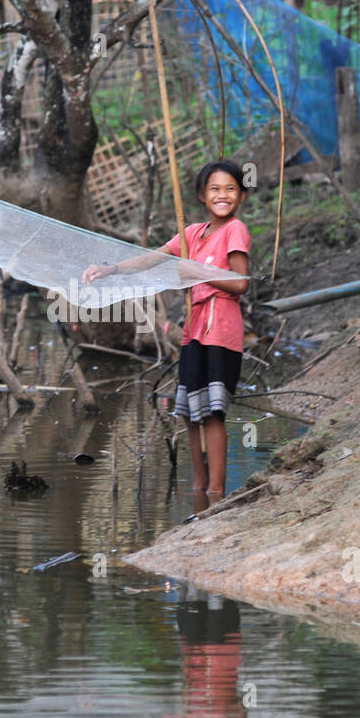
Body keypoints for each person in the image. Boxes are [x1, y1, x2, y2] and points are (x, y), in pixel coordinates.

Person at [84, 161, 251, 496]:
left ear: (241, 196)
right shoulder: (191, 234)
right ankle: (198, 487)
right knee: (191, 411)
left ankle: (216, 491)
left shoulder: (235, 230)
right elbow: (151, 258)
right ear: (202, 195)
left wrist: (197, 273)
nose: (223, 195)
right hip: (194, 331)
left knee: (214, 413)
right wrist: (110, 269)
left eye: (231, 189)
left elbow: (241, 282)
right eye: (215, 189)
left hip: (221, 329)